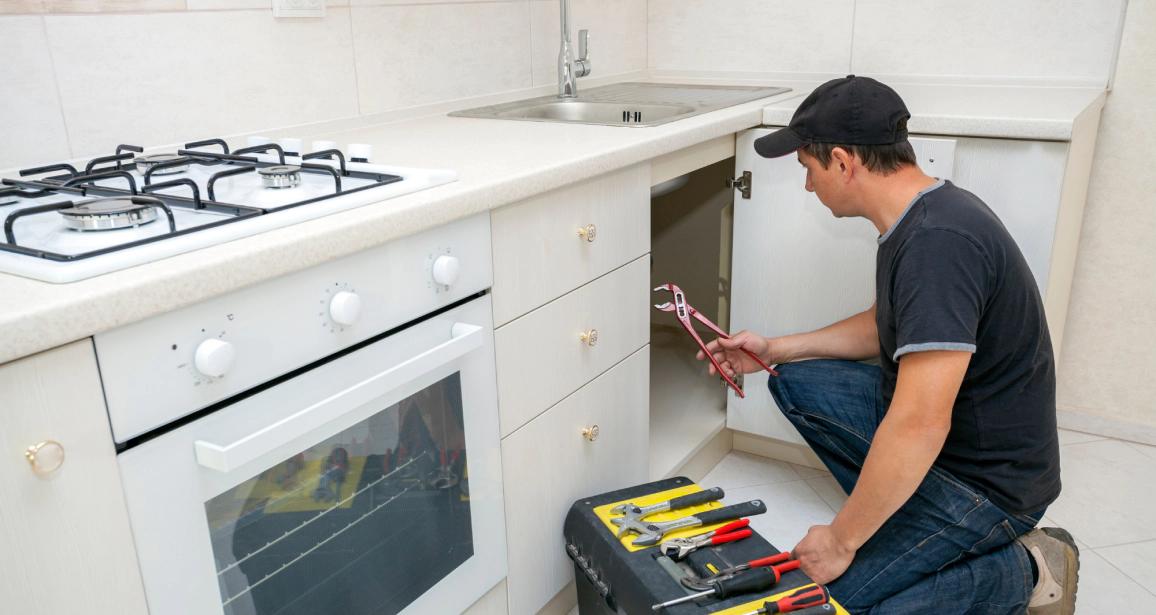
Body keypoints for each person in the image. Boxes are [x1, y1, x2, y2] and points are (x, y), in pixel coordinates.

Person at [698, 76, 1078, 615]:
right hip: (953, 438)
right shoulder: (922, 213)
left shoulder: (936, 244)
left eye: (808, 169)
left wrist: (840, 540)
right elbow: (884, 327)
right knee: (793, 381)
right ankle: (903, 509)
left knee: (830, 603)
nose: (807, 186)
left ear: (842, 162)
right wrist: (774, 349)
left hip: (988, 483)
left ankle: (1028, 569)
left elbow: (920, 424)